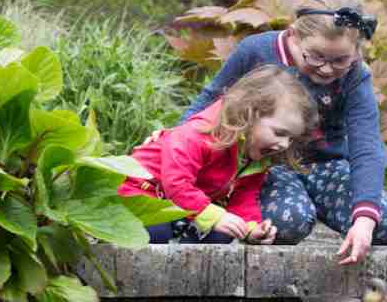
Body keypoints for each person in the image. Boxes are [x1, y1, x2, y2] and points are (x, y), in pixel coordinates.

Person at [181, 0, 387, 264]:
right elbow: (209, 101)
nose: (326, 69)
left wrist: (363, 218)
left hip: (327, 167)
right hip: (267, 166)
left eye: (340, 60)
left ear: (356, 52)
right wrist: (176, 140)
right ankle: (278, 206)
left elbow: (367, 146)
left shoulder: (356, 76)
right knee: (287, 224)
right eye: (315, 57)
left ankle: (338, 211)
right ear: (292, 36)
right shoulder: (256, 51)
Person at [119, 65, 319, 245]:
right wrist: (213, 216)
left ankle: (192, 276)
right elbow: (177, 183)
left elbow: (245, 195)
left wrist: (251, 227)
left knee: (225, 232)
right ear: (249, 114)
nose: (284, 144)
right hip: (143, 192)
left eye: (291, 139)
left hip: (182, 205)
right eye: (280, 133)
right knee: (154, 232)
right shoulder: (198, 134)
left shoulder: (255, 154)